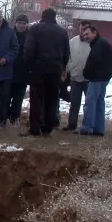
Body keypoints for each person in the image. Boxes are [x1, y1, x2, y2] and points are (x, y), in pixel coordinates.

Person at [24, 8, 70, 136]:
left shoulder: (35, 29)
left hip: (38, 68)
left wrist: (28, 67)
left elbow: (28, 50)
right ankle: (48, 128)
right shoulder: (62, 32)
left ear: (42, 16)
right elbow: (66, 53)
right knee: (52, 98)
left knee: (36, 99)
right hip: (55, 69)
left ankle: (35, 128)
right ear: (54, 17)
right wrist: (63, 67)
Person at [80, 26, 112, 136]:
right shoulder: (102, 43)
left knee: (90, 103)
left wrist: (86, 73)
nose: (85, 37)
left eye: (87, 34)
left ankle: (87, 128)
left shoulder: (99, 45)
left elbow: (94, 62)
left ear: (95, 32)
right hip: (103, 78)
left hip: (97, 78)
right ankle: (99, 129)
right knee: (99, 103)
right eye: (84, 35)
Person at [61, 20, 92, 132]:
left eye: (86, 29)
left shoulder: (93, 43)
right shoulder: (72, 42)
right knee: (74, 103)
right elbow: (67, 56)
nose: (84, 31)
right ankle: (72, 124)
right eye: (82, 28)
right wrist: (69, 68)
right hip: (75, 77)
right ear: (79, 28)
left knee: (89, 104)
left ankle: (87, 126)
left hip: (89, 79)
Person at [8, 15, 30, 124]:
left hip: (23, 72)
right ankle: (4, 118)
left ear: (27, 25)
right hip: (9, 71)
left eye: (24, 23)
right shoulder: (9, 34)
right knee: (6, 96)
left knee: (18, 98)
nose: (21, 25)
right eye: (19, 23)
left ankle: (14, 118)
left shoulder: (30, 37)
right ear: (15, 23)